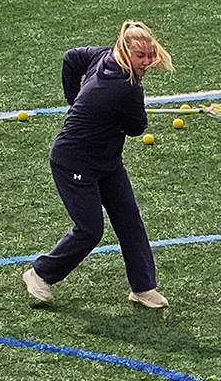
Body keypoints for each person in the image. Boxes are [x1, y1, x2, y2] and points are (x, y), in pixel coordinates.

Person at [23, 21, 174, 309]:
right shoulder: (126, 89)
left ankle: (142, 287)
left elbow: (71, 59)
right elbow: (136, 127)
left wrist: (74, 99)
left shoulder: (103, 55)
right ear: (125, 50)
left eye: (149, 54)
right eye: (140, 56)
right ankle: (40, 273)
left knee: (129, 218)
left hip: (106, 160)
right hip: (73, 160)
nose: (147, 62)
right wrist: (127, 110)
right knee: (90, 229)